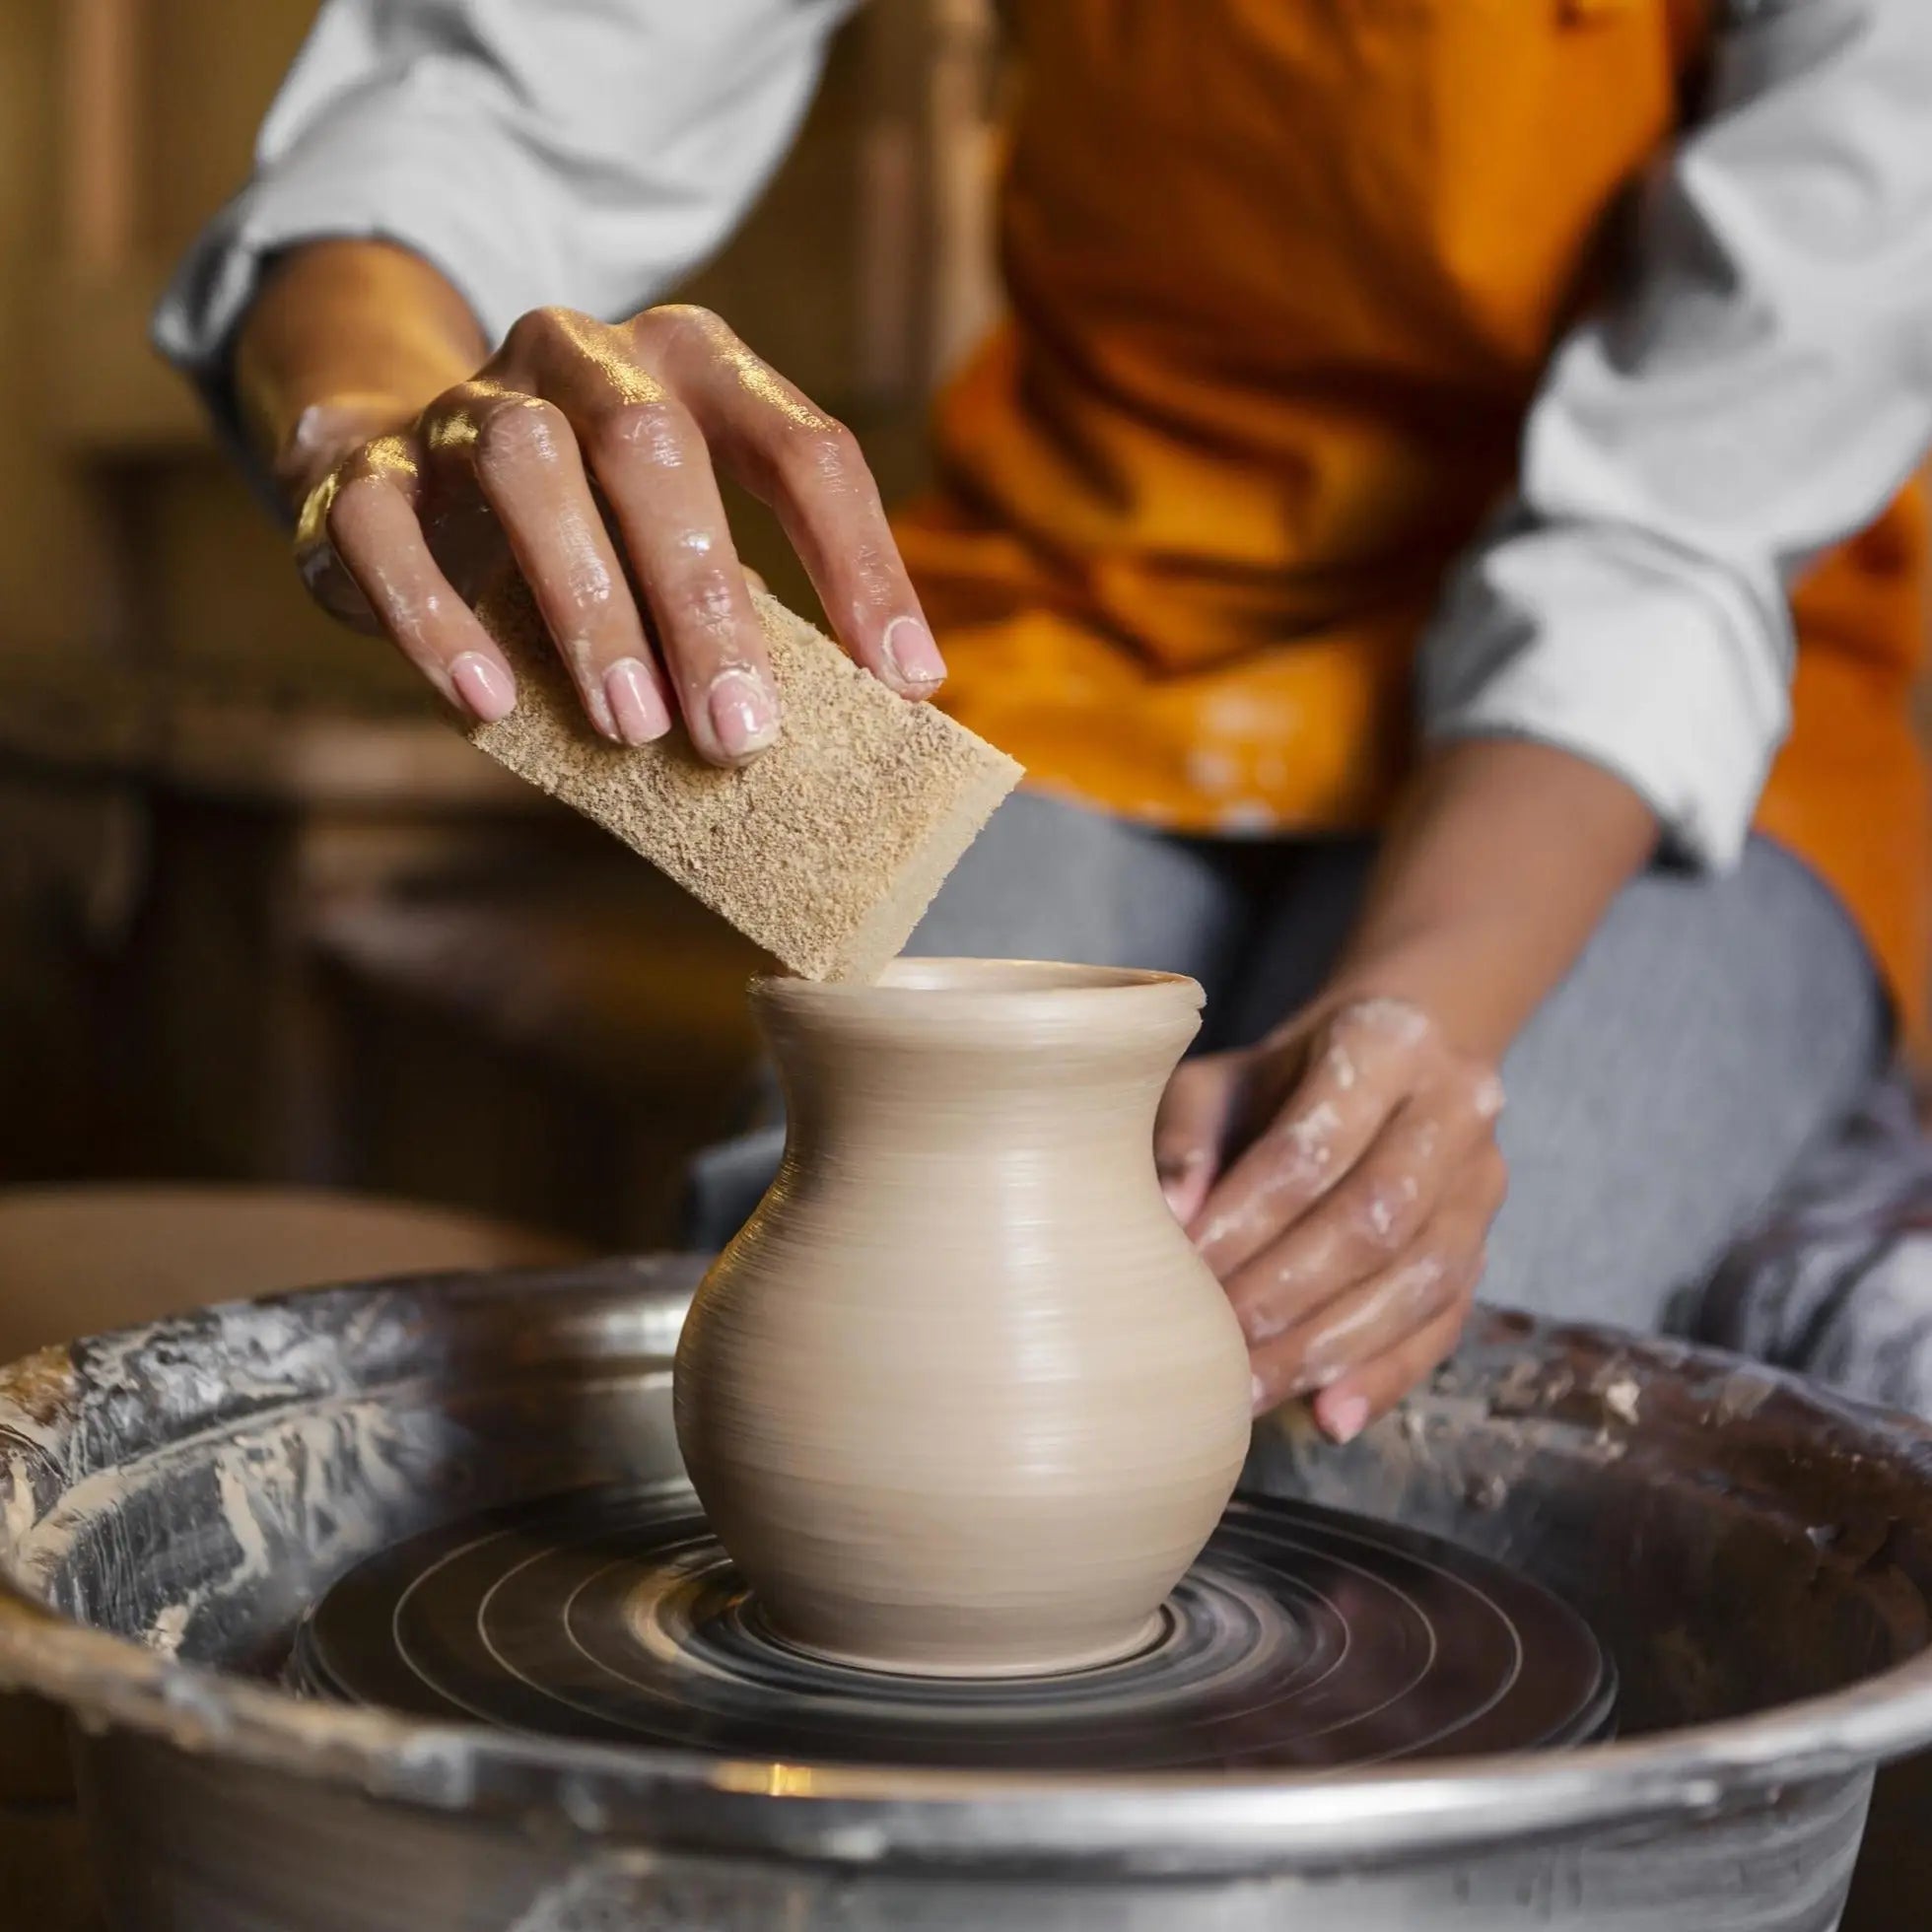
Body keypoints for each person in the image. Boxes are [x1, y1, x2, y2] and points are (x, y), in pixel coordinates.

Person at [157, 0, 1932, 1442]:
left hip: (1689, 703)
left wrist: (1417, 1036)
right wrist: (378, 421)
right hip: (1099, 624)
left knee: (1392, 1384)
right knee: (850, 1284)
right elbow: (483, 98)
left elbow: (1671, 529)